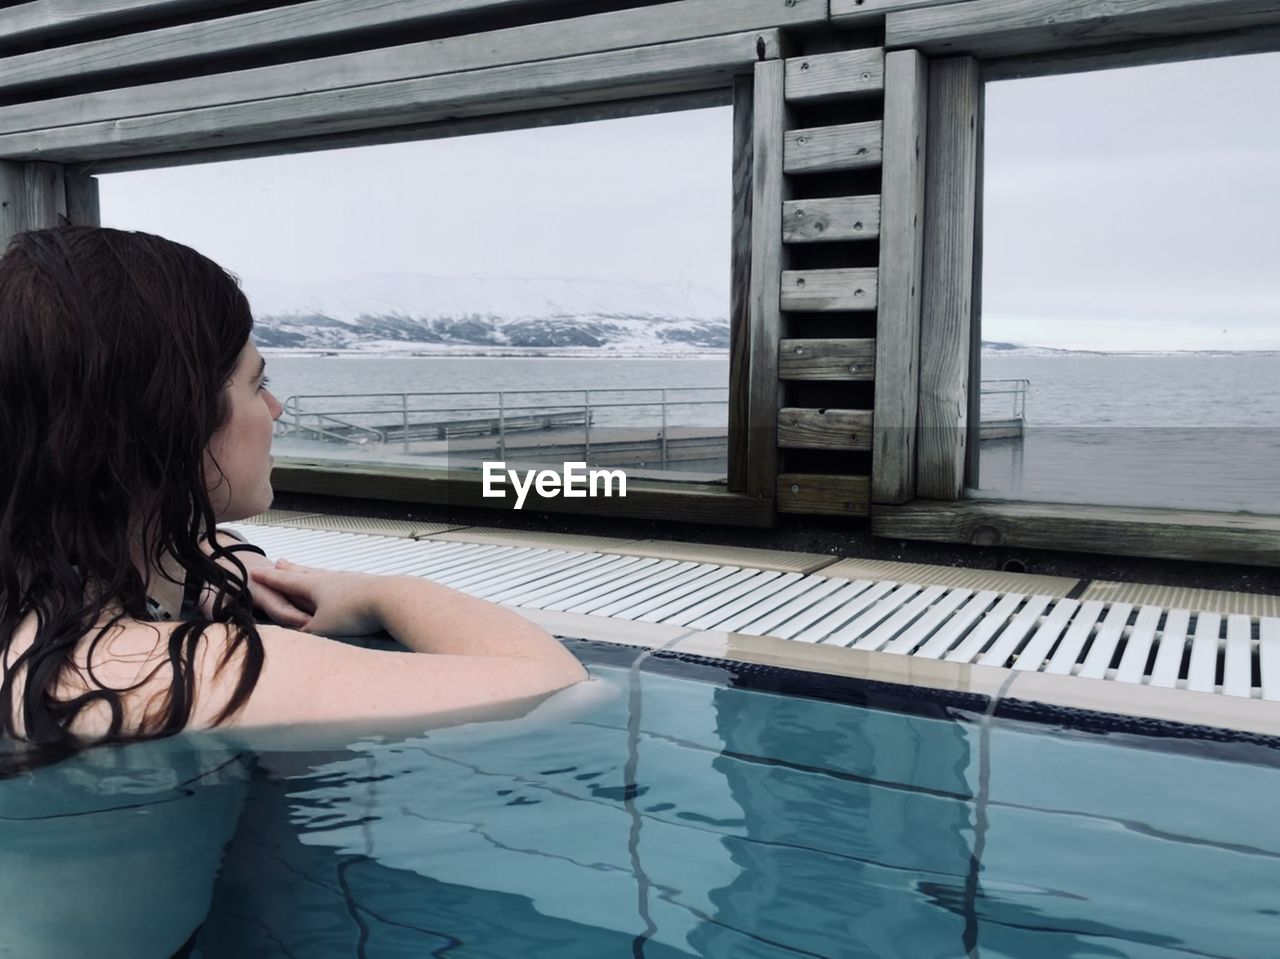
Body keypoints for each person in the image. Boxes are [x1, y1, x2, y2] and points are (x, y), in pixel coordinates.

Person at [0, 225, 587, 769]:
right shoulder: (177, 674)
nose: (276, 410)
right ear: (172, 419)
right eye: (258, 384)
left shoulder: (33, 610)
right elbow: (558, 687)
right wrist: (381, 594)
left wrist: (201, 558)